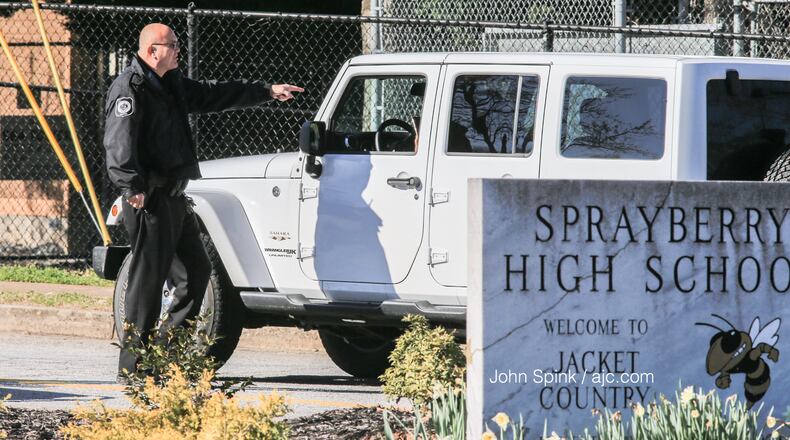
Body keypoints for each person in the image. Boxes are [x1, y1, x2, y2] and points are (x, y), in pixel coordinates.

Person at [103, 23, 303, 379]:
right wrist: (131, 186)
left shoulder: (170, 83)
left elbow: (214, 94)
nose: (179, 50)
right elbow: (118, 144)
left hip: (176, 197)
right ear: (152, 51)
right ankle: (133, 368)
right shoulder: (130, 89)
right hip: (148, 199)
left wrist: (266, 91)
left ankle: (163, 354)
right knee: (148, 284)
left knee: (196, 273)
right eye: (173, 45)